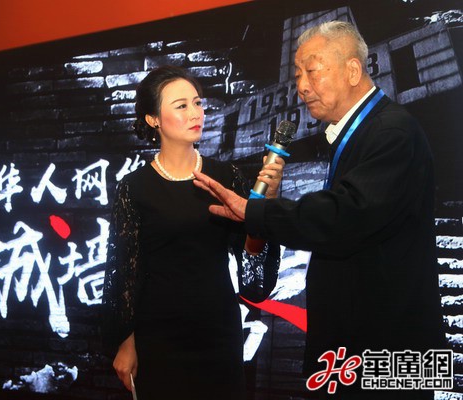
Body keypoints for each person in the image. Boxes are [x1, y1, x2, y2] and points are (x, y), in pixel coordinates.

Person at [193, 21, 446, 399]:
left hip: (387, 351)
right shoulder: (366, 131)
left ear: (353, 71)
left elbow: (344, 216)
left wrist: (255, 213)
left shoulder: (391, 132)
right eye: (298, 74)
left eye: (312, 71)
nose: (302, 86)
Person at [101, 65, 284, 400]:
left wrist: (265, 208)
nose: (195, 113)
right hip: (158, 337)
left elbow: (252, 266)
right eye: (181, 105)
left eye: (197, 103)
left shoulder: (225, 177)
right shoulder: (135, 187)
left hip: (218, 333)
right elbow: (124, 272)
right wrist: (126, 342)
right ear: (153, 119)